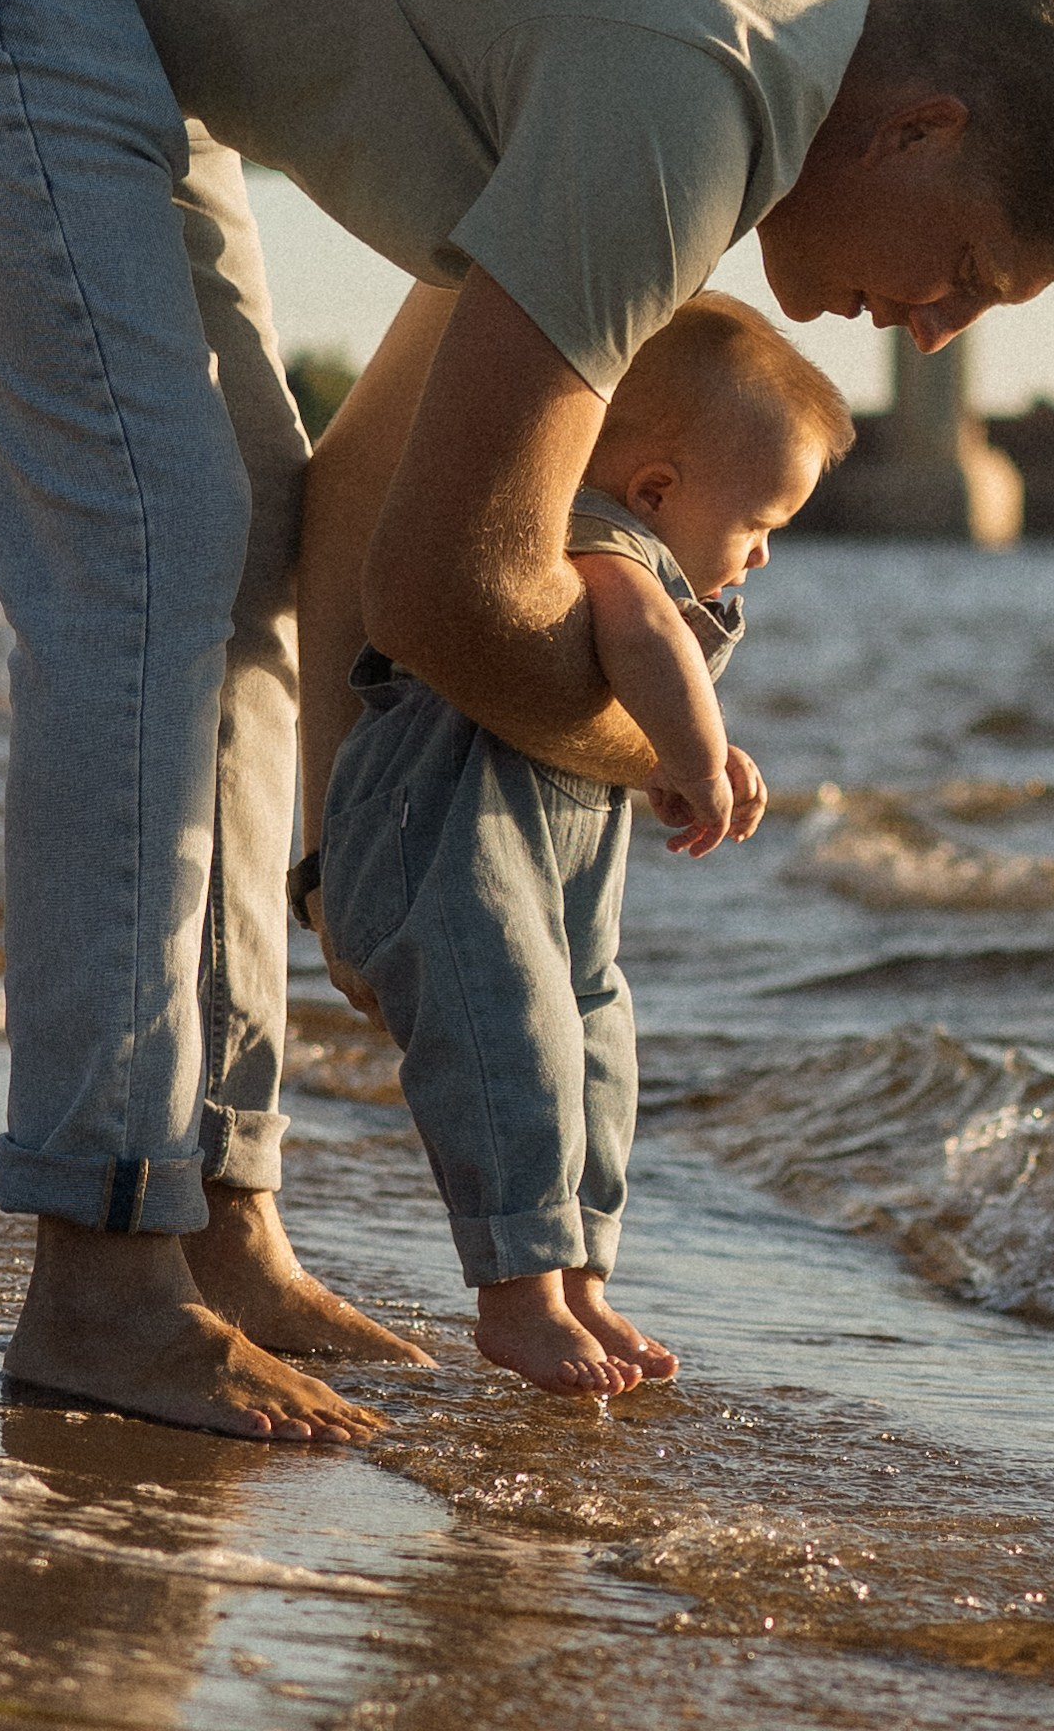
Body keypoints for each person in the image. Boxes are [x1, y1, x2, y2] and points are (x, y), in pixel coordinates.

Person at [0, 0, 1054, 1441]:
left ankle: (217, 1223)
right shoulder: (692, 96)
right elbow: (452, 590)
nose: (940, 333)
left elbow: (367, 505)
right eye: (966, 267)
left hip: (133, 31)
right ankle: (99, 1276)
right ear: (918, 129)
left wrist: (344, 865)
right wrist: (673, 752)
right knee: (152, 548)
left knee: (240, 530)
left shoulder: (707, 73)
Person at [316, 294, 853, 1396]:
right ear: (657, 491)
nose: (759, 557)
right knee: (514, 1043)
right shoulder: (598, 536)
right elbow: (640, 621)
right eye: (760, 526)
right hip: (439, 843)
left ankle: (577, 1276)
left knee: (596, 1045)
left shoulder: (646, 551)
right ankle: (515, 1295)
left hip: (537, 873)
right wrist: (700, 753)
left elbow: (643, 683)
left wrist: (690, 751)